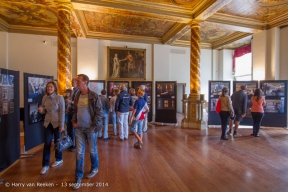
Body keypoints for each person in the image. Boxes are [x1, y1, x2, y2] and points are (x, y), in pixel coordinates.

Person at [71, 74, 103, 190]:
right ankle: (78, 175)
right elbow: (75, 110)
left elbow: (99, 112)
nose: (76, 82)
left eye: (78, 81)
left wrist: (93, 126)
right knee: (79, 152)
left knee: (92, 150)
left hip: (90, 129)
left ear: (84, 83)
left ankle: (95, 167)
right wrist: (74, 121)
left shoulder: (94, 96)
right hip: (79, 128)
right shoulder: (77, 95)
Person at [37, 81, 65, 174]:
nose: (49, 88)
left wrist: (61, 125)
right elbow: (44, 110)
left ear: (55, 88)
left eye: (51, 87)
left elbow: (62, 112)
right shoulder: (45, 97)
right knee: (47, 144)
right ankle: (45, 165)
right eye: (48, 87)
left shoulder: (59, 98)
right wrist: (41, 110)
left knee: (57, 142)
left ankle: (59, 158)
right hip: (47, 123)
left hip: (57, 123)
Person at [65, 78, 79, 152]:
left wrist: (71, 102)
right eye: (72, 82)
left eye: (73, 82)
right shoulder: (73, 90)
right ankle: (70, 143)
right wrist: (68, 107)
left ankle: (76, 145)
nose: (72, 83)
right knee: (69, 128)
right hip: (71, 111)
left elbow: (79, 103)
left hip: (76, 112)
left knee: (75, 130)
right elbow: (71, 100)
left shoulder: (79, 91)